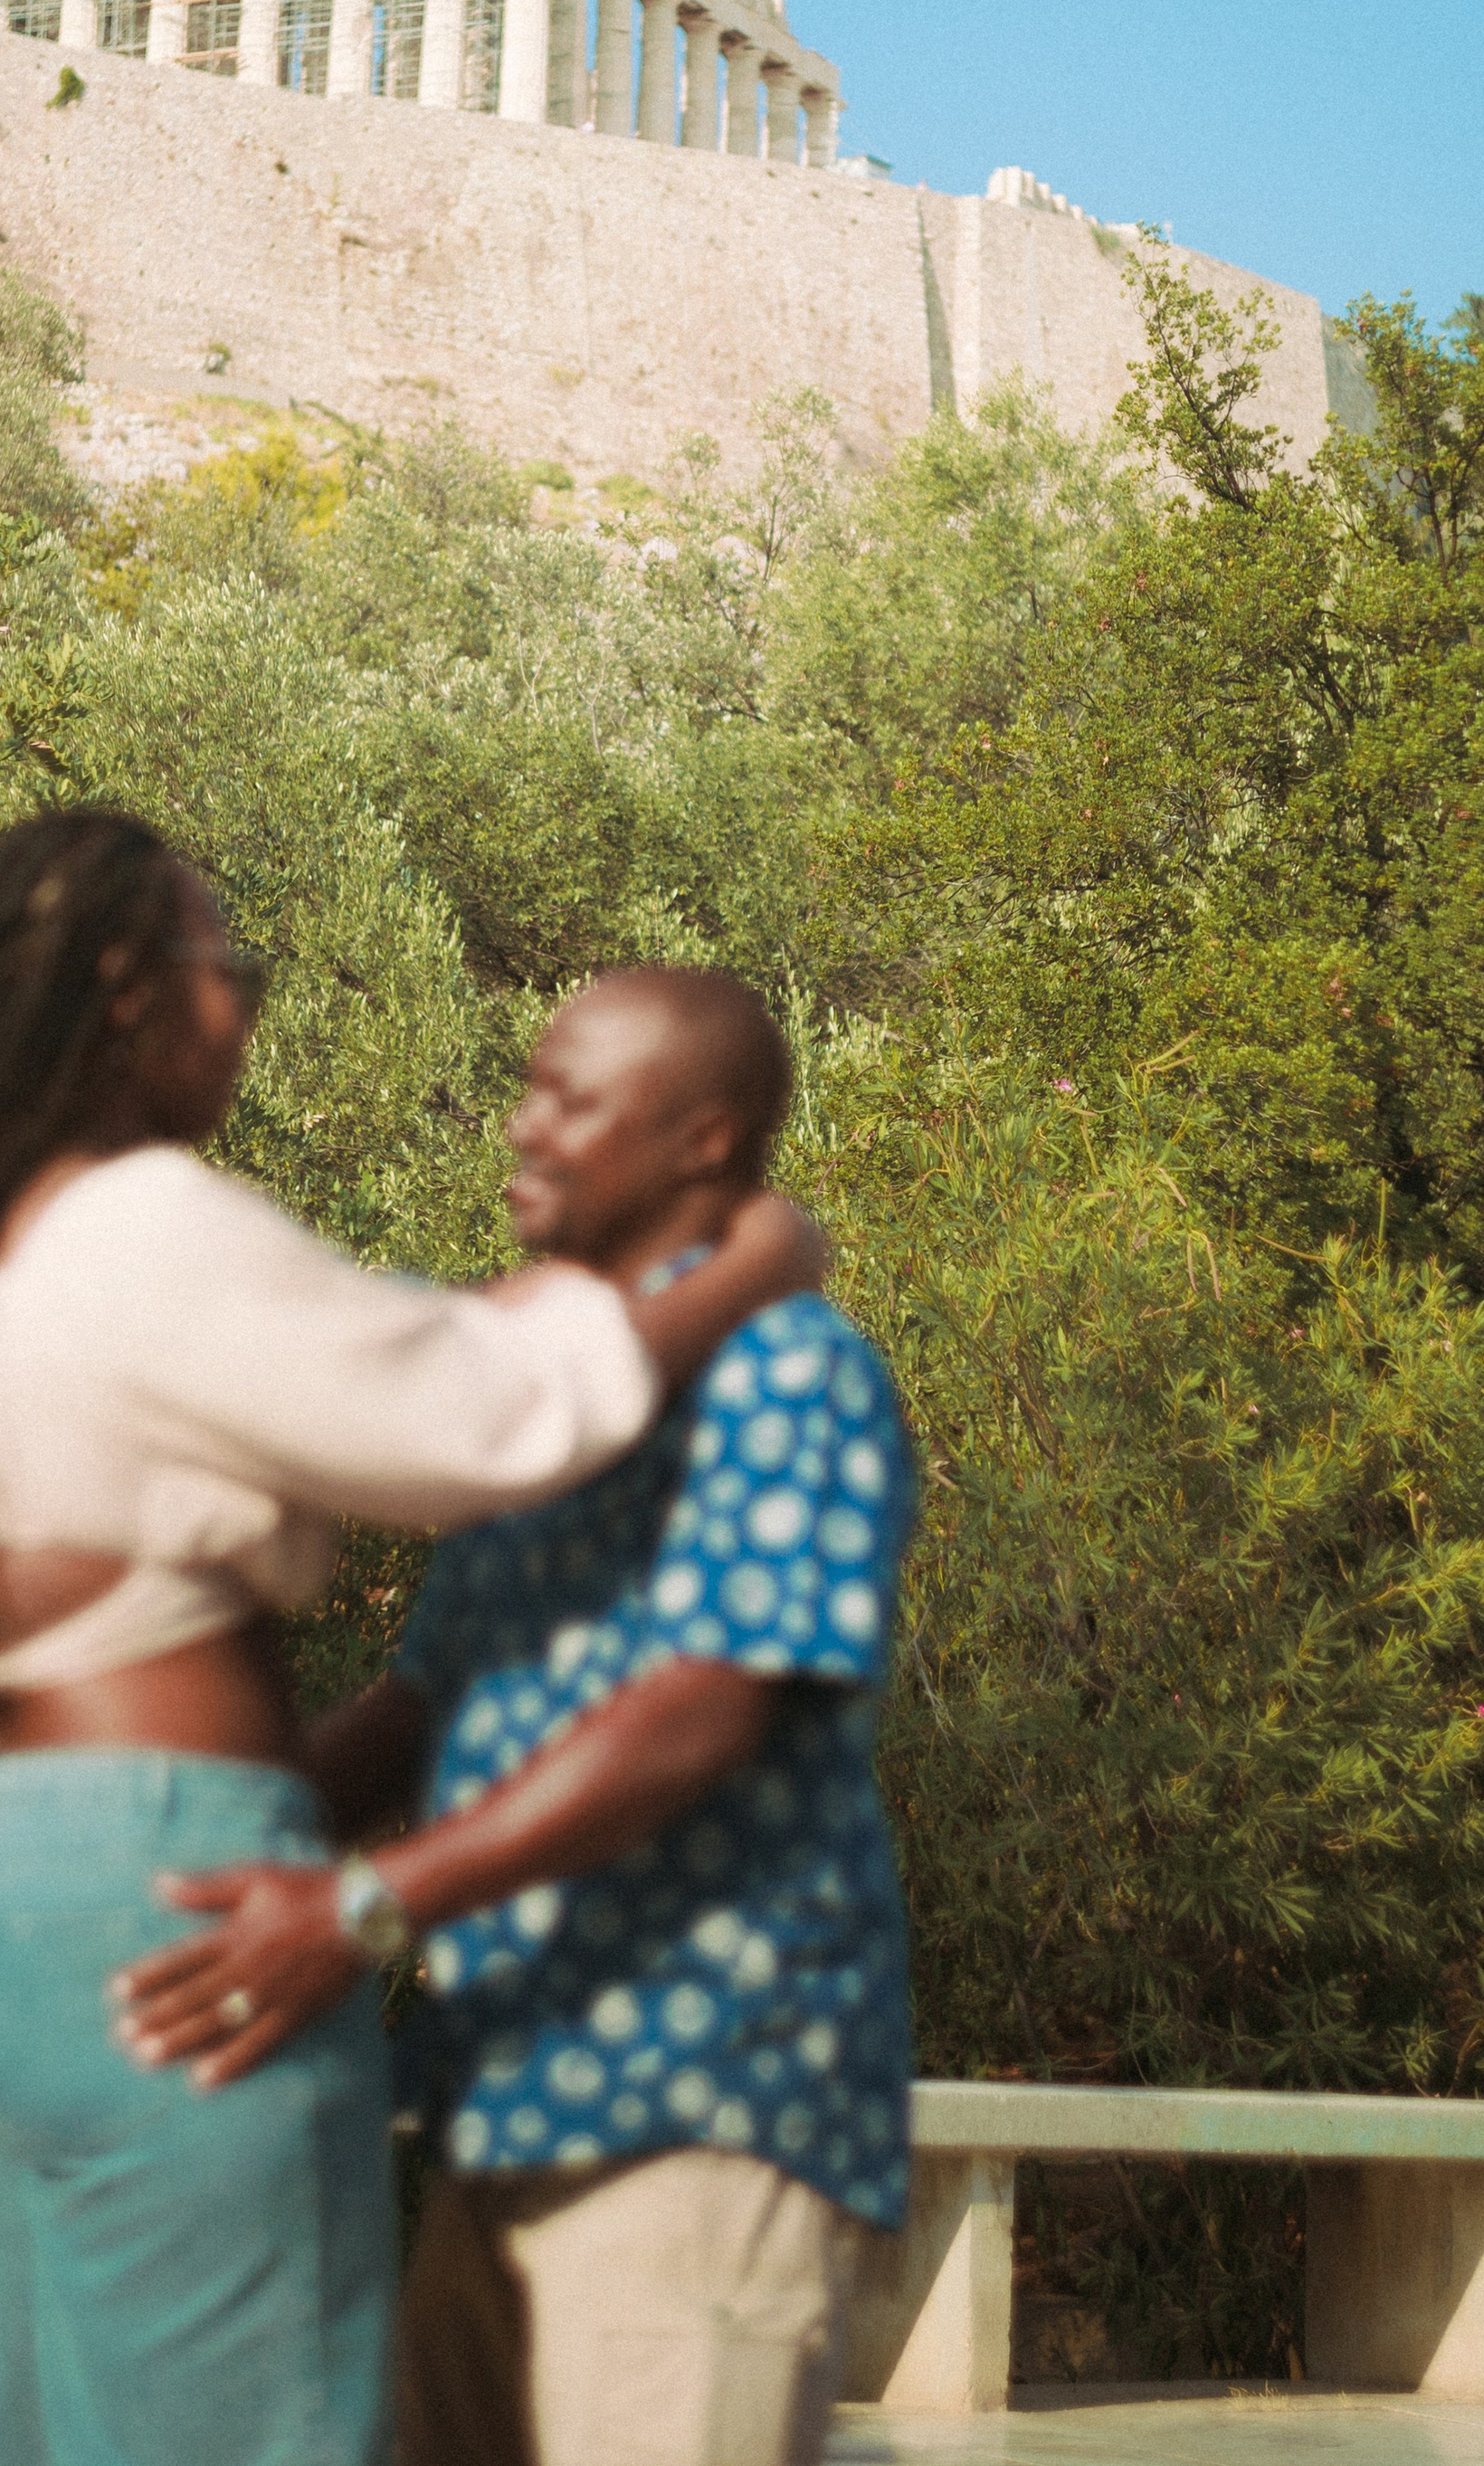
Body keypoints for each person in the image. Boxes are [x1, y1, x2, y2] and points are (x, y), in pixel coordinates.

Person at [0, 814, 823, 2466]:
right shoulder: (140, 1224)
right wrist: (740, 1270)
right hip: (151, 1901)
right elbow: (487, 1415)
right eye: (229, 967)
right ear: (126, 992)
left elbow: (397, 1354)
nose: (247, 1008)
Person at [116, 969, 914, 2466]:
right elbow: (422, 1708)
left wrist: (359, 1907)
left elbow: (703, 1710)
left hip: (701, 2106)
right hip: (508, 2109)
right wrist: (167, 1841)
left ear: (703, 1141)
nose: (522, 1126)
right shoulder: (549, 1415)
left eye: (573, 1101)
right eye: (528, 1088)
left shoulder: (788, 1373)